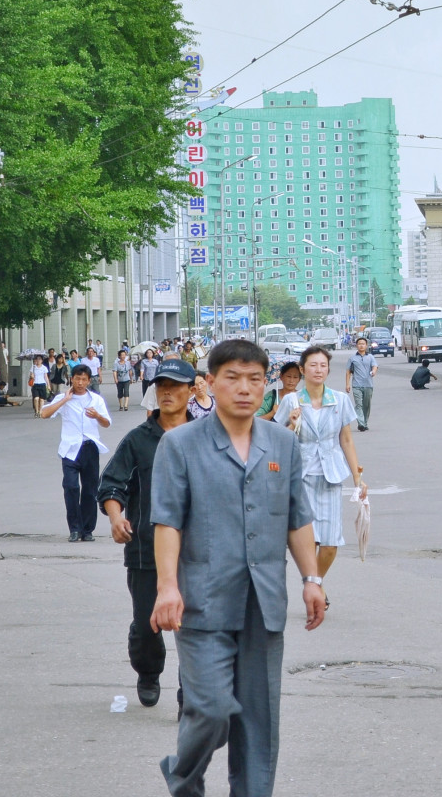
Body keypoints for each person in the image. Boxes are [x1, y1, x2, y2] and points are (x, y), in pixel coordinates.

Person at [150, 338, 325, 797]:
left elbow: (297, 517)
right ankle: (184, 777)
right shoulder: (179, 445)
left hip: (263, 602)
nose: (244, 388)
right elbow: (167, 521)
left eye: (254, 379)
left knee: (258, 721)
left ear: (266, 385)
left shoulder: (283, 444)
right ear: (210, 383)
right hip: (203, 603)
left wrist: (312, 579)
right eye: (232, 378)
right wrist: (167, 588)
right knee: (209, 708)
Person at [98, 357, 196, 710]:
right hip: (144, 548)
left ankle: (191, 689)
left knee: (193, 625)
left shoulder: (205, 436)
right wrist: (115, 517)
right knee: (147, 624)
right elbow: (111, 485)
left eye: (175, 386)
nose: (167, 392)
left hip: (196, 551)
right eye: (161, 386)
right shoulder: (138, 440)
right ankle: (149, 671)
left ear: (191, 390)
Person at [275, 347, 365, 607]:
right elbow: (278, 439)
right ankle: (315, 589)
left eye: (323, 365)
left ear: (328, 369)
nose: (318, 370)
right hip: (300, 478)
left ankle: (314, 584)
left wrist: (358, 478)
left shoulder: (339, 400)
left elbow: (346, 440)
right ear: (303, 370)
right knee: (308, 540)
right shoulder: (292, 401)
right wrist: (291, 424)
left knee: (329, 544)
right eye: (312, 365)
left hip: (330, 477)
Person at [40, 364, 112, 543]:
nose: (80, 383)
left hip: (89, 448)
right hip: (70, 449)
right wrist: (64, 400)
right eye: (77, 379)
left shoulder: (96, 400)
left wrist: (97, 416)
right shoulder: (63, 398)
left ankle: (87, 530)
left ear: (89, 381)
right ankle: (74, 528)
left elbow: (106, 423)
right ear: (71, 379)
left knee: (89, 490)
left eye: (84, 379)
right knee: (71, 487)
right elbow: (44, 414)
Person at [344, 337, 378, 432]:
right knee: (359, 405)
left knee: (366, 405)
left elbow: (375, 366)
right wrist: (347, 384)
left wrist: (373, 372)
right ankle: (361, 424)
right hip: (356, 385)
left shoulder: (370, 357)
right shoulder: (352, 358)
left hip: (368, 385)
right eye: (359, 344)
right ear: (356, 345)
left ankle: (365, 422)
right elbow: (348, 372)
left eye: (363, 344)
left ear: (366, 345)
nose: (361, 345)